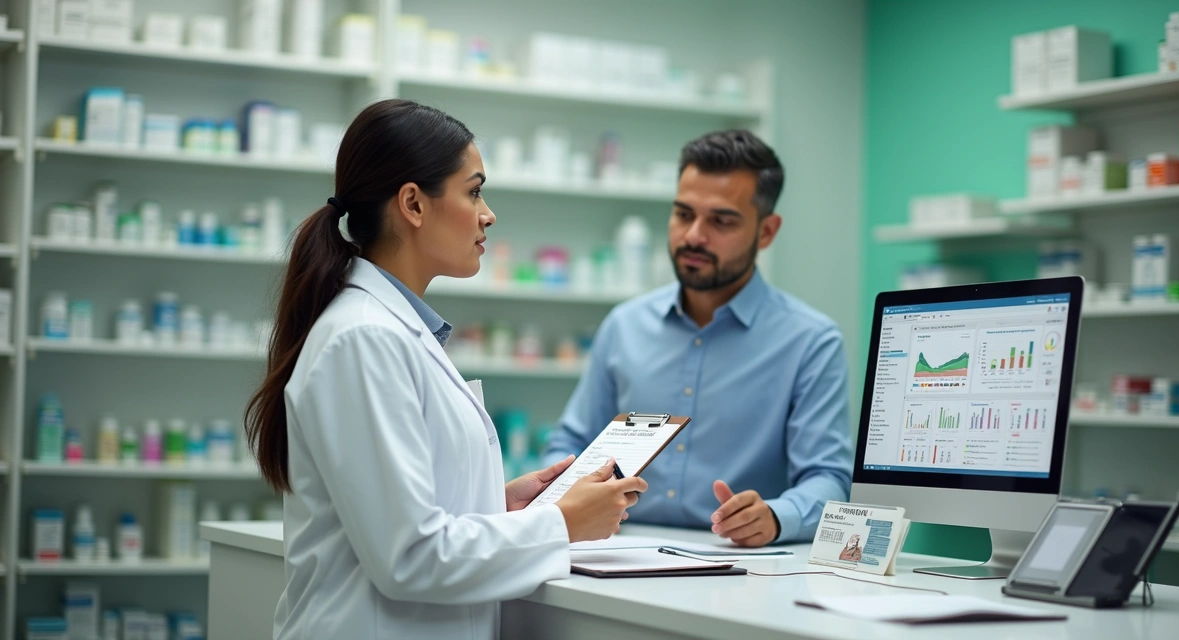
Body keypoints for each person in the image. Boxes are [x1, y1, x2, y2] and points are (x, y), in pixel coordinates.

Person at [244, 99, 647, 639]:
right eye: (474, 190)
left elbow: (401, 512)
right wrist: (561, 523)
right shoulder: (365, 338)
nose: (488, 214)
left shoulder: (390, 329)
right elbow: (410, 556)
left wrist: (497, 504)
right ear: (413, 203)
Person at [544, 130, 852, 547]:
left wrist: (777, 518)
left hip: (739, 566)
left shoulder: (810, 341)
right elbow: (570, 445)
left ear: (766, 232)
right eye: (684, 214)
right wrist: (565, 501)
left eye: (721, 221)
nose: (693, 236)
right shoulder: (624, 325)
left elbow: (828, 478)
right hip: (617, 550)